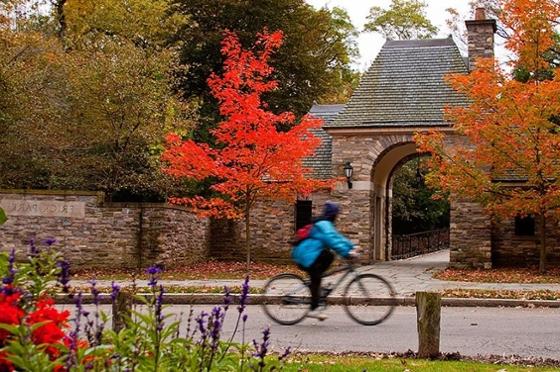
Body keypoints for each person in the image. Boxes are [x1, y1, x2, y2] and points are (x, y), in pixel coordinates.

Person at [291, 201, 358, 320]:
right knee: (316, 277)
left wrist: (351, 247)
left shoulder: (326, 224)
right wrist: (347, 253)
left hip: (311, 255)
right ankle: (314, 309)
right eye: (336, 214)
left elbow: (337, 238)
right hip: (306, 256)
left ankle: (317, 284)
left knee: (329, 256)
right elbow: (332, 241)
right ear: (333, 215)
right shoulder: (324, 225)